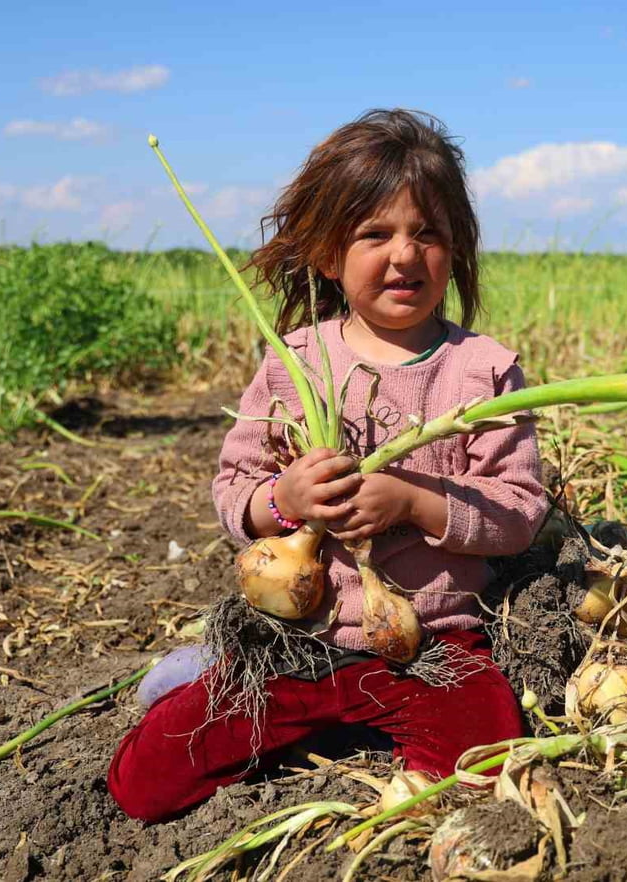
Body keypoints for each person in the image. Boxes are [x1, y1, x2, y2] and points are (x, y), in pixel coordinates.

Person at [108, 109, 549, 823]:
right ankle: (219, 676)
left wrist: (411, 501)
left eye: (428, 233)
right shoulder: (296, 362)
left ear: (457, 249)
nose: (404, 255)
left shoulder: (482, 371)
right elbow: (233, 494)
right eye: (375, 234)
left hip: (430, 645)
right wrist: (284, 500)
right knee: (142, 784)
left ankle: (354, 723)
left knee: (486, 778)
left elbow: (519, 513)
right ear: (325, 254)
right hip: (293, 643)